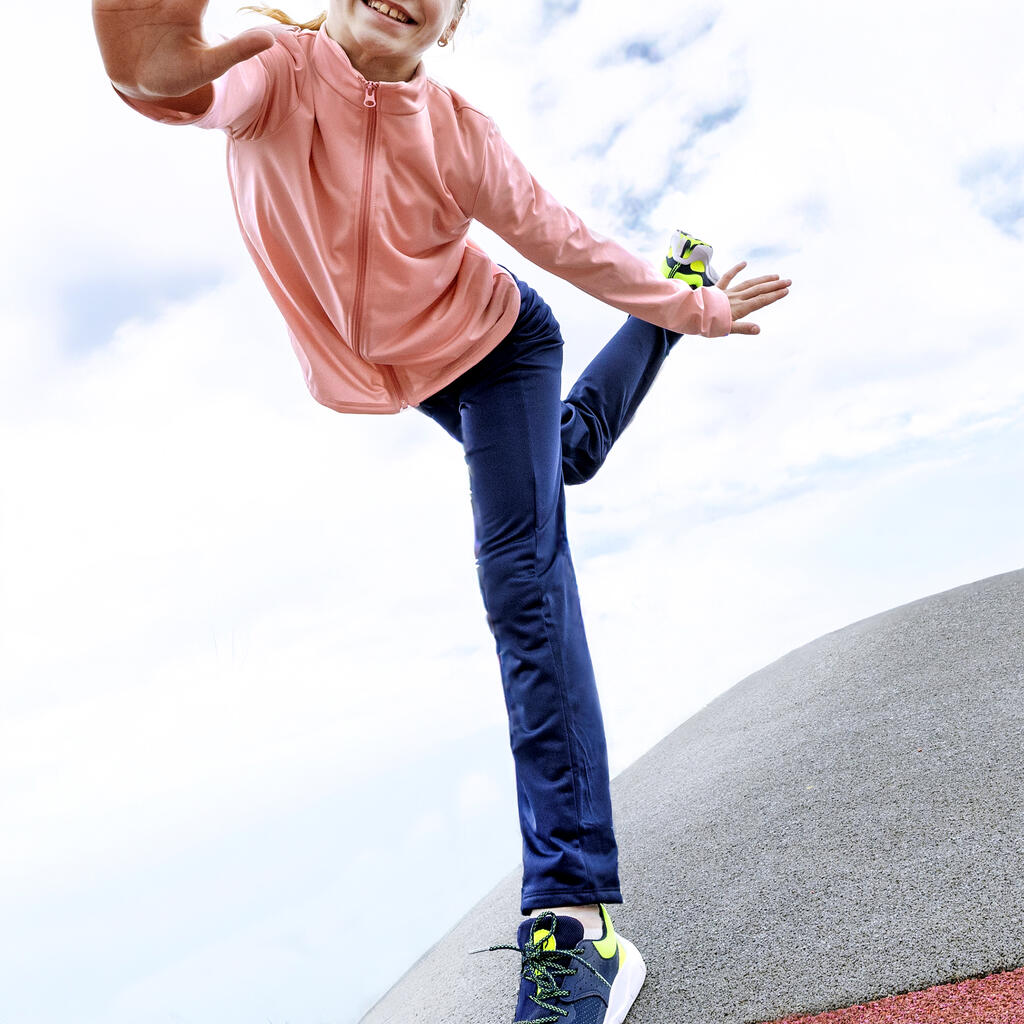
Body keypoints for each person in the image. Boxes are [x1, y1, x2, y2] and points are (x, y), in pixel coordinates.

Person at [91, 1, 791, 1020]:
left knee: (521, 578)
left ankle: (576, 921)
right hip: (415, 373)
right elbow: (202, 91)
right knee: (567, 457)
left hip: (502, 349)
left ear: (450, 26)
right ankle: (663, 315)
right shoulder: (273, 70)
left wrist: (699, 307)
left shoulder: (459, 134)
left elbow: (568, 240)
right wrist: (150, 78)